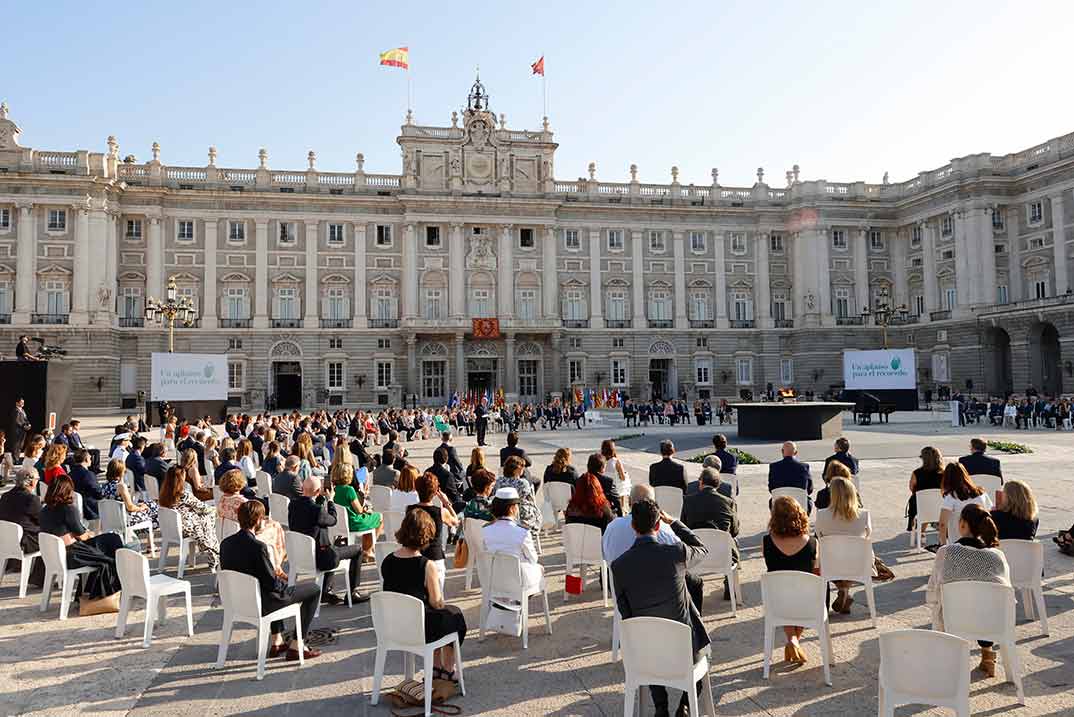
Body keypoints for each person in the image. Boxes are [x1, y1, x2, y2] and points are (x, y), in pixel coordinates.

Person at [611, 497, 709, 717]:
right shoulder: (675, 554)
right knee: (706, 654)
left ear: (633, 526)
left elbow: (625, 613)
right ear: (658, 525)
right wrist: (674, 523)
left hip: (646, 655)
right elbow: (702, 549)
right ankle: (685, 704)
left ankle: (661, 706)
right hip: (684, 652)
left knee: (648, 642)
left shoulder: (619, 566)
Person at [220, 501, 321, 662]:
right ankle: (297, 645)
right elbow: (272, 584)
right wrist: (287, 585)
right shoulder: (258, 547)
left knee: (271, 585)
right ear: (258, 520)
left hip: (237, 602)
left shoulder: (225, 544)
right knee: (313, 589)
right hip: (262, 603)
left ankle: (277, 640)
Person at [381, 509, 467, 682]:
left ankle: (436, 667)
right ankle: (448, 668)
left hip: (394, 624)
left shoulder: (388, 560)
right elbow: (436, 603)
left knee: (437, 616)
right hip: (419, 627)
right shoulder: (426, 565)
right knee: (455, 617)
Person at [926, 504, 1010, 677]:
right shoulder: (996, 556)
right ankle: (988, 655)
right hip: (990, 624)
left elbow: (933, 590)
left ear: (963, 524)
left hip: (954, 620)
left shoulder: (946, 552)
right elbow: (1006, 594)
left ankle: (950, 658)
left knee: (944, 603)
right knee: (986, 604)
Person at [39, 475, 123, 601]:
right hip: (71, 554)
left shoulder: (44, 510)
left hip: (55, 555)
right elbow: (82, 536)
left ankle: (104, 589)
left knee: (109, 542)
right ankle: (109, 590)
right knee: (113, 541)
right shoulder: (68, 509)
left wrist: (76, 535)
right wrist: (89, 534)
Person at [289, 475, 367, 605]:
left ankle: (325, 591)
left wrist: (319, 501)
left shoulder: (293, 505)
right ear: (318, 491)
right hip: (322, 559)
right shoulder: (317, 510)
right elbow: (333, 520)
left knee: (334, 547)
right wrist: (330, 500)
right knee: (358, 549)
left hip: (301, 556)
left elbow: (311, 517)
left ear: (302, 488)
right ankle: (352, 592)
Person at [763, 496, 818, 665]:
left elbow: (769, 565)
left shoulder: (767, 542)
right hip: (806, 602)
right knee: (806, 594)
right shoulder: (813, 543)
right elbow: (817, 573)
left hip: (777, 601)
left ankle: (792, 639)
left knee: (783, 596)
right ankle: (795, 639)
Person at [814, 477, 872, 613]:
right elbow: (868, 536)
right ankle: (845, 590)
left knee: (827, 554)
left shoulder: (822, 515)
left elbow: (819, 536)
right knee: (855, 553)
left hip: (831, 565)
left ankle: (843, 591)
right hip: (858, 564)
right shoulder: (864, 515)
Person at [217, 469, 287, 574]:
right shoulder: (243, 503)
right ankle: (276, 566)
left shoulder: (222, 500)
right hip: (246, 535)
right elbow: (254, 523)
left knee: (272, 526)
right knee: (275, 527)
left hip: (227, 536)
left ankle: (275, 565)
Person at [482, 487, 545, 591]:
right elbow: (533, 558)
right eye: (517, 505)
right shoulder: (522, 531)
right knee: (539, 568)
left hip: (494, 579)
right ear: (512, 508)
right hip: (519, 581)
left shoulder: (486, 529)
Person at [158, 466, 220, 571]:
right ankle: (214, 554)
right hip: (185, 529)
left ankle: (212, 552)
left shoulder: (163, 494)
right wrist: (217, 509)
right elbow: (203, 508)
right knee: (209, 517)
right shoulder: (184, 495)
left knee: (204, 518)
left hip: (171, 529)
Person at [407, 472, 459, 591]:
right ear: (435, 492)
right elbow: (455, 521)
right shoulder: (440, 512)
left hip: (415, 556)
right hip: (435, 557)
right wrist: (446, 502)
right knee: (437, 596)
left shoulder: (410, 510)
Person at [681, 467, 740, 570]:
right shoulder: (728, 502)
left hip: (696, 553)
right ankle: (729, 582)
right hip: (722, 553)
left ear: (701, 482)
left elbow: (683, 528)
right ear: (718, 484)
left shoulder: (688, 501)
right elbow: (735, 531)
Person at [0, 467, 45, 586]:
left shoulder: (5, 496)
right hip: (23, 541)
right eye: (37, 479)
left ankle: (15, 564)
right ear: (30, 481)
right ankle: (38, 578)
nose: (37, 481)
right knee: (49, 538)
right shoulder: (31, 499)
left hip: (6, 540)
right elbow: (42, 521)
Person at [331, 460, 383, 560]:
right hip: (353, 522)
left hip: (339, 524)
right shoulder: (349, 490)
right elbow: (359, 510)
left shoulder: (334, 490)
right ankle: (367, 550)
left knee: (369, 520)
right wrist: (365, 509)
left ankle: (366, 550)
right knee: (379, 517)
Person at [938, 462, 992, 546]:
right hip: (980, 542)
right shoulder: (981, 493)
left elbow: (942, 524)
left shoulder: (951, 497)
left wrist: (943, 545)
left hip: (958, 544)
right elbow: (990, 513)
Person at [101, 457, 159, 530]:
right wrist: (141, 508)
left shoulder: (104, 486)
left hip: (112, 518)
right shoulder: (121, 487)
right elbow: (130, 507)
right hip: (125, 519)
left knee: (149, 504)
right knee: (153, 509)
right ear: (120, 472)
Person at [494, 455, 545, 534]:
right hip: (518, 514)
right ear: (516, 469)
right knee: (536, 513)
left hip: (501, 512)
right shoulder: (522, 483)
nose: (523, 468)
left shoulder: (499, 481)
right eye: (522, 466)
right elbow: (528, 499)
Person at [907, 445, 945, 534]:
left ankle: (921, 531)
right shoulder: (944, 473)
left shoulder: (916, 473)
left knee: (921, 503)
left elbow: (911, 488)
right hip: (940, 504)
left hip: (920, 504)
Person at [768, 441, 813, 513]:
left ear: (782, 452)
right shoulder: (804, 467)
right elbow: (810, 489)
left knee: (771, 500)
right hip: (799, 504)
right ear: (796, 452)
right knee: (809, 501)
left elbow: (771, 488)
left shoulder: (774, 467)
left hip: (780, 504)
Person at [69, 449, 103, 521]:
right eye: (90, 458)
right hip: (90, 509)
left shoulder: (70, 474)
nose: (91, 460)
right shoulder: (88, 474)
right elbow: (98, 494)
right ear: (86, 459)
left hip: (74, 507)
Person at [601, 439, 630, 513]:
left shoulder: (601, 461)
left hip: (604, 488)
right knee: (625, 481)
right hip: (616, 489)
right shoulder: (616, 461)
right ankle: (622, 508)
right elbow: (622, 477)